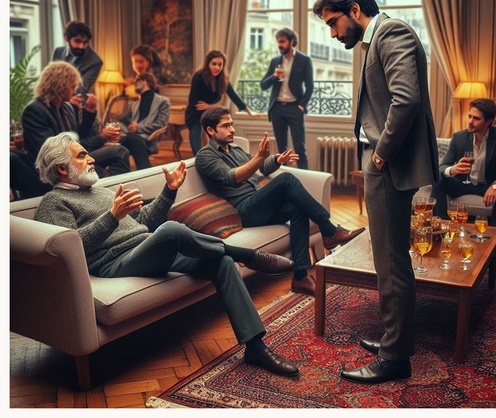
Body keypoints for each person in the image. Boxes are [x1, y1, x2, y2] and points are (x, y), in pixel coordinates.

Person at [34, 131, 298, 377]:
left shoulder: (100, 191)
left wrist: (169, 191)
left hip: (146, 249)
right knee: (171, 229)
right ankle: (250, 256)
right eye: (82, 155)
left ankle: (256, 348)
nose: (92, 158)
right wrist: (112, 216)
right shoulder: (54, 203)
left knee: (222, 261)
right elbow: (69, 248)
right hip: (115, 263)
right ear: (61, 167)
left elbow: (145, 223)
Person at [313, 0, 438, 384]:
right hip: (384, 165)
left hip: (388, 165)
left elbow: (407, 99)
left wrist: (380, 154)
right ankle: (395, 340)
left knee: (390, 263)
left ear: (354, 10)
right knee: (391, 259)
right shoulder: (378, 37)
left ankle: (395, 358)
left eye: (333, 23)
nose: (333, 34)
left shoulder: (391, 31)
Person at [195, 106, 365, 297]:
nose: (232, 129)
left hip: (256, 202)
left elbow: (259, 169)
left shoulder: (235, 149)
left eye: (232, 124)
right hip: (243, 210)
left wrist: (275, 160)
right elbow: (232, 178)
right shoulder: (205, 156)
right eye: (226, 126)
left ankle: (300, 277)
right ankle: (329, 230)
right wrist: (259, 157)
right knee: (286, 180)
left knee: (296, 208)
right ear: (211, 130)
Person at [21, 61, 130, 178]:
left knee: (120, 151)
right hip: (57, 166)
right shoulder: (34, 110)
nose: (74, 91)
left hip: (75, 156)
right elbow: (53, 152)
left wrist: (89, 113)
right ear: (61, 86)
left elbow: (78, 136)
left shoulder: (66, 107)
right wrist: (101, 137)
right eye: (72, 87)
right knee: (108, 160)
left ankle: (118, 190)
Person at [430, 98, 496, 227]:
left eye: (476, 118)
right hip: (463, 184)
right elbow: (442, 167)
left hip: (486, 186)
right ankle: (442, 225)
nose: (470, 122)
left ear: (488, 122)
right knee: (438, 179)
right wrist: (453, 169)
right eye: (469, 116)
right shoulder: (459, 137)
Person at [260, 28, 314, 170]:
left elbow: (310, 86)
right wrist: (274, 77)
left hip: (295, 108)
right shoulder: (275, 61)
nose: (280, 45)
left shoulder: (304, 60)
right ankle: (283, 180)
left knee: (299, 149)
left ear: (291, 41)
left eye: (282, 42)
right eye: (278, 42)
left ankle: (305, 182)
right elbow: (263, 85)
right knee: (282, 150)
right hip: (277, 108)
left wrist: (302, 106)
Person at [186, 50, 253, 155]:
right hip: (195, 113)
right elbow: (194, 102)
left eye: (220, 64)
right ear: (208, 63)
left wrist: (249, 112)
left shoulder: (223, 79)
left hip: (211, 114)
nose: (217, 67)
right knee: (197, 151)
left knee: (217, 146)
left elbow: (233, 96)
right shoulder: (199, 76)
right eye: (214, 64)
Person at [118, 72, 170, 170]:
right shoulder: (134, 103)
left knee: (133, 140)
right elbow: (122, 119)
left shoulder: (162, 101)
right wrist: (129, 125)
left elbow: (161, 124)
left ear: (146, 81)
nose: (135, 83)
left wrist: (138, 127)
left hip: (147, 139)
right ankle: (121, 176)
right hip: (130, 136)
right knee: (116, 147)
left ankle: (144, 171)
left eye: (137, 80)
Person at [52, 20, 103, 97]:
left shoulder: (95, 62)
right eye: (77, 41)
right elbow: (52, 81)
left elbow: (79, 90)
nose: (82, 46)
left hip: (75, 105)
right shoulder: (58, 51)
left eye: (85, 42)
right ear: (66, 39)